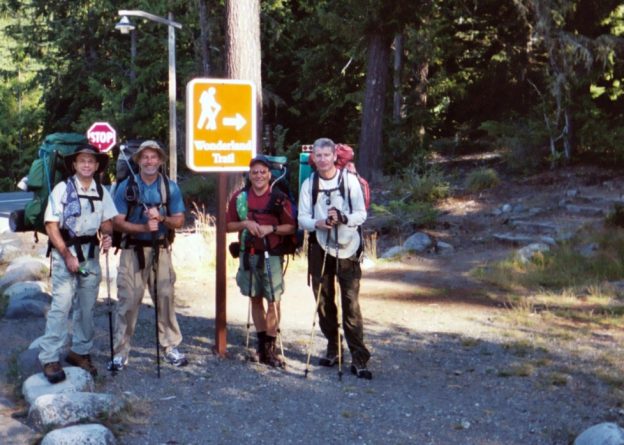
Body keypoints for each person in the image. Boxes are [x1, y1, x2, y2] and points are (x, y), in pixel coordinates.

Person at [39, 144, 118, 383]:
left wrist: (107, 235)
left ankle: (79, 352)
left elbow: (107, 221)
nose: (86, 165)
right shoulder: (63, 189)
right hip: (66, 253)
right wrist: (67, 255)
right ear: (74, 164)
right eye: (82, 161)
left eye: (91, 161)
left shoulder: (101, 192)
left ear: (96, 166)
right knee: (61, 306)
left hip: (91, 256)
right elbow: (51, 225)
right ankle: (50, 357)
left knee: (86, 308)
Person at [298, 138, 372, 379]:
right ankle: (334, 348)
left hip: (348, 245)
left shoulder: (349, 181)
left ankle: (359, 357)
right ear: (314, 159)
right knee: (323, 300)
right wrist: (319, 222)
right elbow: (302, 218)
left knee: (350, 302)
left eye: (326, 155)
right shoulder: (310, 184)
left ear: (334, 157)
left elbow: (361, 214)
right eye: (318, 156)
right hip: (320, 245)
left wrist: (343, 217)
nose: (322, 159)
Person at [109, 140, 188, 370]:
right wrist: (144, 228)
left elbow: (180, 220)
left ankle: (171, 347)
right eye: (145, 157)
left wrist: (161, 219)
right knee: (128, 300)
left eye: (154, 157)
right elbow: (117, 222)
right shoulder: (127, 187)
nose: (149, 161)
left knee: (165, 297)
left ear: (160, 160)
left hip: (161, 249)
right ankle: (120, 352)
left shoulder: (169, 187)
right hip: (132, 250)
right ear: (138, 161)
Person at [226, 155, 296, 367]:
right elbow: (228, 226)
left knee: (274, 300)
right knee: (255, 297)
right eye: (254, 172)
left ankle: (269, 349)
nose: (258, 175)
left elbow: (292, 227)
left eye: (262, 172)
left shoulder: (278, 198)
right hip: (249, 253)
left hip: (272, 254)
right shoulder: (239, 198)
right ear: (249, 174)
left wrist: (271, 229)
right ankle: (261, 344)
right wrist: (245, 223)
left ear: (269, 174)